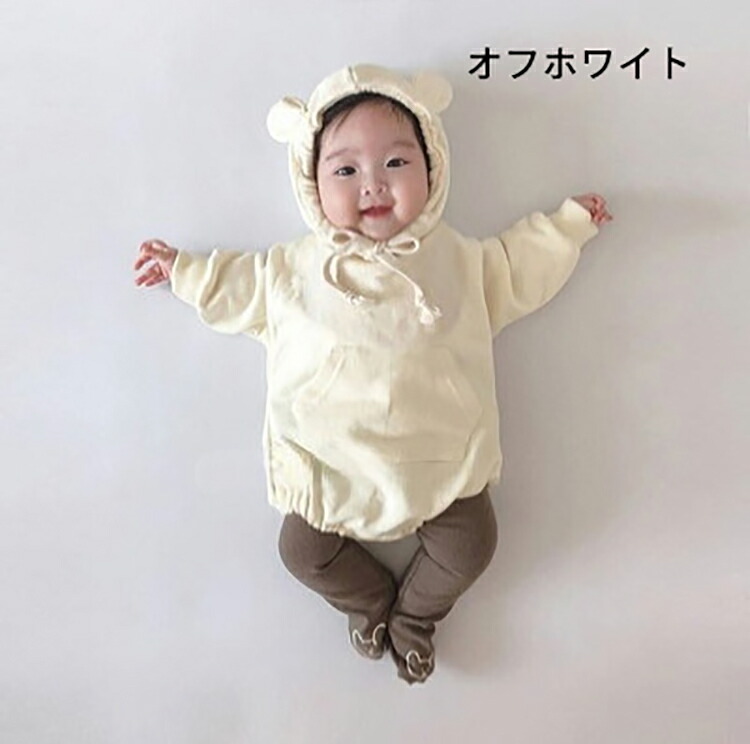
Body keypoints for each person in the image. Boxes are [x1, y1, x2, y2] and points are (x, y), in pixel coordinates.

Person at [133, 63, 613, 684]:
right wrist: (184, 271)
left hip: (443, 467)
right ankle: (370, 605)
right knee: (300, 551)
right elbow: (236, 286)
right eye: (345, 170)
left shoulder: (459, 262)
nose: (374, 185)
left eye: (396, 162)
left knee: (473, 545)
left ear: (432, 165)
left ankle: (414, 617)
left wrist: (568, 227)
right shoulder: (292, 271)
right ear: (311, 182)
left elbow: (516, 266)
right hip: (329, 470)